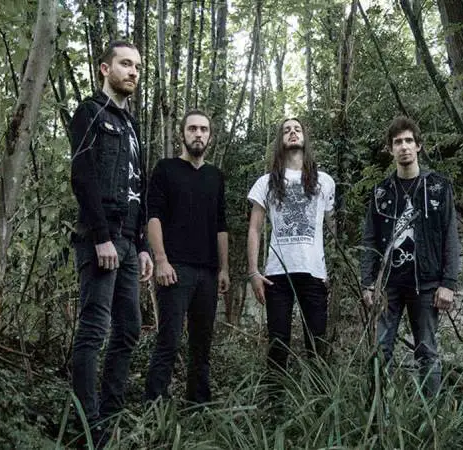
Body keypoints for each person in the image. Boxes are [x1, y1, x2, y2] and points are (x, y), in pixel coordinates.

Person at [69, 40, 153, 439]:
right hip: (100, 238)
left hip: (129, 242)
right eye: (125, 64)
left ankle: (110, 414)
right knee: (93, 329)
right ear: (105, 69)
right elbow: (82, 175)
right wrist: (101, 237)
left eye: (137, 66)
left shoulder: (132, 126)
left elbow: (139, 187)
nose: (133, 72)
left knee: (129, 328)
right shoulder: (89, 112)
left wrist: (142, 246)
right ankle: (86, 425)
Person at [360, 116, 460, 397]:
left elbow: (451, 236)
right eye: (397, 142)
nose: (403, 146)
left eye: (408, 141)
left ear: (418, 146)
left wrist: (449, 283)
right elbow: (369, 239)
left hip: (426, 283)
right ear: (390, 149)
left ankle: (431, 419)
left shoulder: (438, 186)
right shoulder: (381, 192)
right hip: (387, 285)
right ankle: (378, 415)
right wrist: (367, 283)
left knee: (427, 352)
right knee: (380, 350)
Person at [144, 109, 229, 405]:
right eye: (192, 129)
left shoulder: (215, 176)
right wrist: (161, 260)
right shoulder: (166, 169)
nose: (198, 134)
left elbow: (221, 225)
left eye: (203, 129)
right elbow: (153, 216)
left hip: (208, 272)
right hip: (175, 268)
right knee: (169, 340)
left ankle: (198, 406)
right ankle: (154, 406)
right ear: (182, 134)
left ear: (210, 137)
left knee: (202, 345)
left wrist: (224, 269)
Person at [247, 118, 336, 382]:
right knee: (278, 345)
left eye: (297, 129)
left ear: (305, 137)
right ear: (280, 141)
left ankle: (321, 402)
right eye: (286, 130)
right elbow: (254, 229)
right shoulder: (266, 182)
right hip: (277, 274)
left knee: (317, 345)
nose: (292, 132)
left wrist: (330, 269)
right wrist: (253, 272)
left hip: (314, 273)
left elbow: (332, 229)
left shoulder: (324, 181)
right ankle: (275, 402)